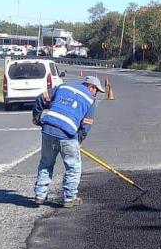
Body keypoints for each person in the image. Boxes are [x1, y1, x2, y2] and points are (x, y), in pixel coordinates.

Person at [32, 75, 106, 207]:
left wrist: (37, 117)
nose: (96, 94)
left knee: (46, 163)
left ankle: (40, 195)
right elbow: (86, 125)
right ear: (91, 87)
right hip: (68, 133)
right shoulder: (90, 99)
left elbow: (41, 98)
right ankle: (70, 198)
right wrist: (78, 141)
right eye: (97, 91)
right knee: (73, 167)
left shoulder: (63, 86)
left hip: (48, 129)